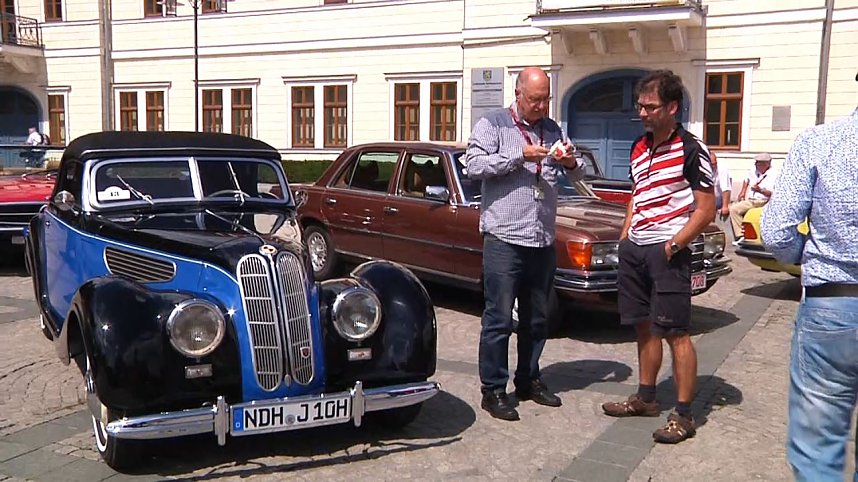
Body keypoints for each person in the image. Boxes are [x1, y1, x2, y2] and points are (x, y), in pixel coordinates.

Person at [600, 70, 715, 444]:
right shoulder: (638, 146)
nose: (642, 113)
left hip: (668, 251)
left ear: (672, 107)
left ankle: (684, 414)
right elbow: (637, 193)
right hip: (635, 248)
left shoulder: (692, 150)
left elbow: (706, 209)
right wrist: (625, 235)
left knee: (676, 333)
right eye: (640, 106)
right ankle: (646, 398)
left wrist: (674, 245)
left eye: (650, 107)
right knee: (643, 326)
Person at [465, 67, 582, 421]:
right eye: (534, 99)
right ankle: (493, 390)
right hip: (504, 238)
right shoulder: (493, 124)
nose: (541, 105)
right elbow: (473, 166)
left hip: (541, 238)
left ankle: (529, 379)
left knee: (537, 319)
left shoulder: (553, 129)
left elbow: (578, 174)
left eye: (546, 99)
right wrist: (520, 156)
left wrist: (570, 161)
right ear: (518, 94)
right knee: (499, 318)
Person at [760, 74, 858, 481]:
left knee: (817, 453)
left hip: (832, 302)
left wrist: (813, 259)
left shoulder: (820, 141)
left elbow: (776, 231)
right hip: (832, 302)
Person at [729, 152, 776, 245]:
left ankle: (746, 235)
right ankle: (741, 235)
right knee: (733, 207)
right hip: (751, 200)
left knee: (739, 211)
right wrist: (742, 191)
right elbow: (747, 179)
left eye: (758, 163)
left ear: (766, 164)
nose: (755, 164)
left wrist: (760, 190)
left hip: (763, 201)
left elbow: (773, 194)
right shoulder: (753, 171)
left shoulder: (774, 175)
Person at [710, 151, 731, 223]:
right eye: (712, 164)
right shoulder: (701, 169)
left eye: (715, 163)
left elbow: (726, 189)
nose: (714, 166)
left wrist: (725, 206)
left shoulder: (722, 169)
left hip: (718, 202)